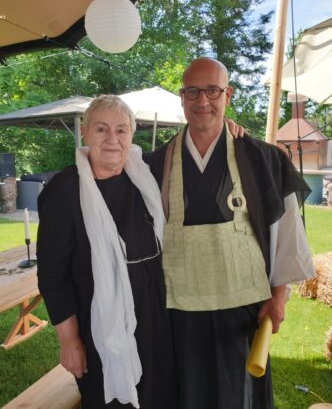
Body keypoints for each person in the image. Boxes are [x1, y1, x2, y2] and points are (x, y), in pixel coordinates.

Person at [146, 57, 315, 409]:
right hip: (179, 311)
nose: (202, 101)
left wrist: (279, 297)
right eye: (192, 91)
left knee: (240, 398)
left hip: (243, 311)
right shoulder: (155, 164)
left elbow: (285, 235)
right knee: (185, 396)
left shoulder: (262, 159)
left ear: (228, 94)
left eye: (212, 90)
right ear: (182, 96)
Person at [37, 95, 177, 409]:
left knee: (161, 395)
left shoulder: (143, 173)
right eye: (101, 130)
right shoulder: (64, 190)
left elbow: (192, 140)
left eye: (121, 130)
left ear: (132, 134)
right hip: (99, 325)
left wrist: (229, 127)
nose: (112, 139)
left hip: (155, 316)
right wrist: (69, 341)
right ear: (84, 133)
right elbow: (52, 277)